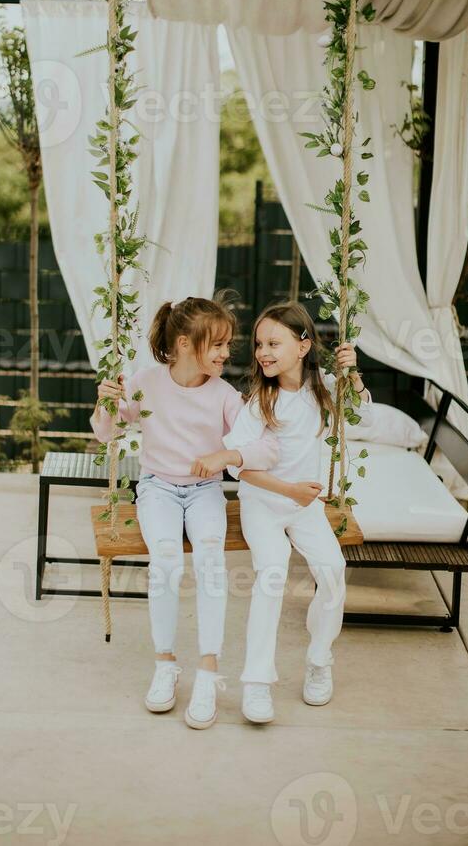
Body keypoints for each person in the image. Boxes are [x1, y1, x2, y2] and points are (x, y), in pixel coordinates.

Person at [90, 294, 278, 730]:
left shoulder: (226, 396)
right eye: (217, 345)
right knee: (167, 562)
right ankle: (165, 664)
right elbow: (107, 433)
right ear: (184, 346)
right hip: (157, 488)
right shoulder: (146, 382)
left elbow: (265, 447)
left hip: (205, 491)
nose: (226, 353)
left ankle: (208, 673)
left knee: (211, 559)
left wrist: (226, 456)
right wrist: (105, 401)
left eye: (228, 344)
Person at [221, 301, 374, 724]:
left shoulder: (325, 388)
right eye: (258, 344)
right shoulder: (259, 403)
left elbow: (362, 419)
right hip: (265, 503)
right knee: (271, 573)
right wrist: (288, 489)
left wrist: (353, 374)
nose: (263, 352)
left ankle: (319, 658)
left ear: (303, 346)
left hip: (303, 505)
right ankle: (256, 683)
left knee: (332, 571)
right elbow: (241, 468)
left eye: (273, 342)